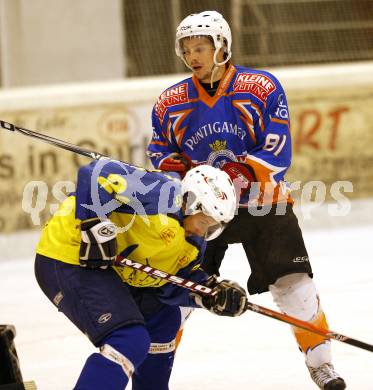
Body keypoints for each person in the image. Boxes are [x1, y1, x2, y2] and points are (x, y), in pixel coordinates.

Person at [146, 10, 346, 390]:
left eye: (201, 47)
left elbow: (277, 146)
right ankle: (149, 374)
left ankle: (321, 365)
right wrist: (182, 177)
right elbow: (160, 151)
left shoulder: (261, 87)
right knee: (179, 293)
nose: (194, 56)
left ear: (221, 46)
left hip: (261, 200)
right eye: (187, 50)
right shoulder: (170, 101)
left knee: (292, 285)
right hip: (201, 209)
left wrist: (236, 176)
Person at [34, 158, 248, 390]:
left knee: (165, 321)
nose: (202, 231)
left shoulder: (193, 244)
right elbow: (95, 173)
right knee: (129, 339)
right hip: (69, 254)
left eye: (212, 227)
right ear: (190, 203)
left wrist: (207, 293)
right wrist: (95, 225)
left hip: (113, 271)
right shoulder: (160, 191)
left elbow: (171, 283)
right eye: (204, 222)